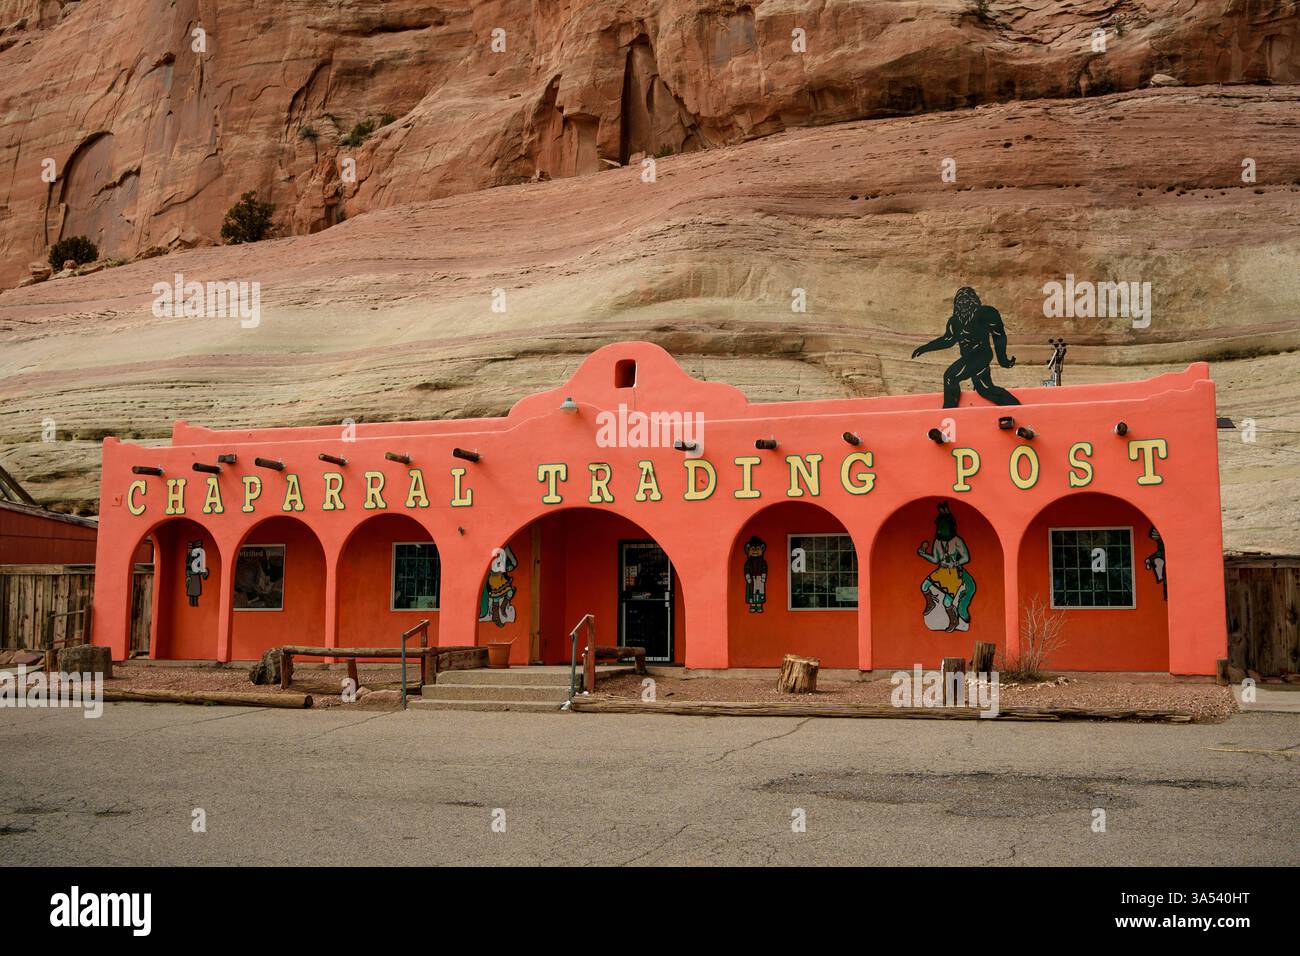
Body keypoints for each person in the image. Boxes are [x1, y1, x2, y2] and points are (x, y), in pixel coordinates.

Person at [911, 286, 1020, 407]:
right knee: (985, 389)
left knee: (950, 377)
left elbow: (998, 335)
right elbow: (948, 340)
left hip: (981, 354)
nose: (962, 304)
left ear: (973, 301)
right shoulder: (954, 321)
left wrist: (1003, 360)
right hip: (969, 358)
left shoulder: (985, 313)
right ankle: (1016, 407)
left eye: (965, 300)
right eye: (960, 301)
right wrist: (924, 348)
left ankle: (949, 412)